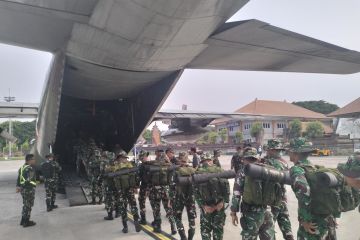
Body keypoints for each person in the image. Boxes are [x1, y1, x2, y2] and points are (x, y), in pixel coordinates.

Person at [288, 138, 337, 240]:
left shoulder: (297, 169)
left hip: (313, 223)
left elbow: (303, 192)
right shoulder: (314, 168)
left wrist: (305, 220)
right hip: (328, 219)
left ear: (295, 153)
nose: (288, 152)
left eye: (290, 150)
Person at [230, 147, 275, 240]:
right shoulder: (266, 169)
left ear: (244, 159)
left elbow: (236, 194)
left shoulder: (243, 172)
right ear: (257, 158)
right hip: (267, 211)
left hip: (251, 213)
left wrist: (234, 212)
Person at [194, 152, 230, 240]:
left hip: (206, 207)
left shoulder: (198, 173)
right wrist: (222, 202)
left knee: (205, 231)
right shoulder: (220, 171)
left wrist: (203, 205)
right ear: (212, 160)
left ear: (201, 162)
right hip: (219, 206)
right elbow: (227, 188)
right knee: (218, 230)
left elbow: (195, 192)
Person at [264, 139, 294, 240]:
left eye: (268, 150)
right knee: (285, 222)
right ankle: (289, 235)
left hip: (271, 199)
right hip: (282, 197)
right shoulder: (284, 162)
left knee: (269, 226)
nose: (267, 151)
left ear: (271, 150)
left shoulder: (266, 162)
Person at [147, 152, 177, 234]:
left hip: (155, 190)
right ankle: (173, 227)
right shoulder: (169, 167)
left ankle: (158, 227)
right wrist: (172, 194)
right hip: (166, 190)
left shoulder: (153, 167)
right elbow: (172, 182)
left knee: (156, 209)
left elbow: (149, 180)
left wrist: (148, 191)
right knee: (168, 209)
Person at [114, 151, 141, 233]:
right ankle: (136, 221)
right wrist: (135, 187)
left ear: (119, 158)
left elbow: (114, 180)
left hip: (121, 191)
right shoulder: (130, 166)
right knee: (133, 206)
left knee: (123, 208)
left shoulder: (116, 167)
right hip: (130, 189)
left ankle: (125, 227)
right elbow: (136, 177)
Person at [171, 152, 197, 240]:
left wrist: (171, 199)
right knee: (192, 219)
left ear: (179, 159)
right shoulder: (193, 170)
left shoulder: (176, 170)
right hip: (191, 198)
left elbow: (172, 186)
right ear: (187, 160)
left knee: (177, 217)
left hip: (179, 197)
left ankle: (183, 237)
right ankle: (190, 238)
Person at [16, 154, 37, 227]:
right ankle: (26, 222)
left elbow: (19, 178)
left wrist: (18, 186)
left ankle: (23, 220)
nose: (34, 160)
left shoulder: (22, 168)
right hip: (28, 189)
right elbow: (29, 180)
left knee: (25, 205)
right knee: (28, 206)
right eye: (33, 159)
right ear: (30, 160)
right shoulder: (30, 168)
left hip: (23, 190)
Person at [103, 151, 120, 220]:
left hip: (109, 185)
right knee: (117, 199)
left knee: (109, 200)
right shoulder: (118, 165)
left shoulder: (106, 165)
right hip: (117, 185)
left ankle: (110, 215)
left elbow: (102, 174)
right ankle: (117, 213)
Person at [138, 150, 150, 224]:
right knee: (155, 205)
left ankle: (143, 219)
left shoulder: (141, 167)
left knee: (142, 202)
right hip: (152, 187)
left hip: (144, 187)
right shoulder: (151, 165)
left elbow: (138, 178)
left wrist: (135, 186)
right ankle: (172, 227)